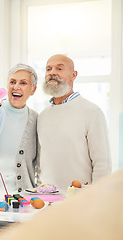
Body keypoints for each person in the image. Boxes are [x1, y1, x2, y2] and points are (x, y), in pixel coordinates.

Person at [37, 54, 111, 193]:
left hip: (81, 199)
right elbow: (41, 163)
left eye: (59, 68)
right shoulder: (42, 116)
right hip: (47, 200)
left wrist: (98, 197)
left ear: (73, 75)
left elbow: (102, 163)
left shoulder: (91, 112)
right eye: (48, 69)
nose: (52, 72)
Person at [0, 63, 39, 205]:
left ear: (33, 89)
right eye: (12, 82)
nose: (16, 87)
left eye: (23, 83)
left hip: (22, 200)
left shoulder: (36, 119)